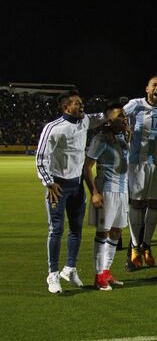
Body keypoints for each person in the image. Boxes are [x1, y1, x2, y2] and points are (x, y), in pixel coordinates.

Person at [36, 90, 105, 293]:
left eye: (82, 102)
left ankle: (70, 268)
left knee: (76, 229)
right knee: (56, 230)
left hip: (76, 186)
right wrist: (48, 182)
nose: (81, 106)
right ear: (65, 107)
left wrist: (123, 108)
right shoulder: (53, 128)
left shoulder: (85, 121)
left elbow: (103, 117)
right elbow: (41, 158)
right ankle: (52, 274)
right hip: (57, 186)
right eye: (76, 103)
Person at [123, 75, 157, 269]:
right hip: (137, 163)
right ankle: (135, 247)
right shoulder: (135, 105)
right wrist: (125, 127)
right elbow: (117, 115)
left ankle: (146, 246)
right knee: (136, 204)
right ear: (147, 89)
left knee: (153, 204)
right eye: (155, 85)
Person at [83, 103, 130, 290]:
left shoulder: (123, 137)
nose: (124, 118)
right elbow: (87, 166)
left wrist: (128, 134)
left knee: (117, 231)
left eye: (124, 115)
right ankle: (98, 275)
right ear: (109, 121)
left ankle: (106, 271)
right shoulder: (101, 138)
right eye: (120, 116)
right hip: (107, 190)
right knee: (102, 232)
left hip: (122, 190)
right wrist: (94, 192)